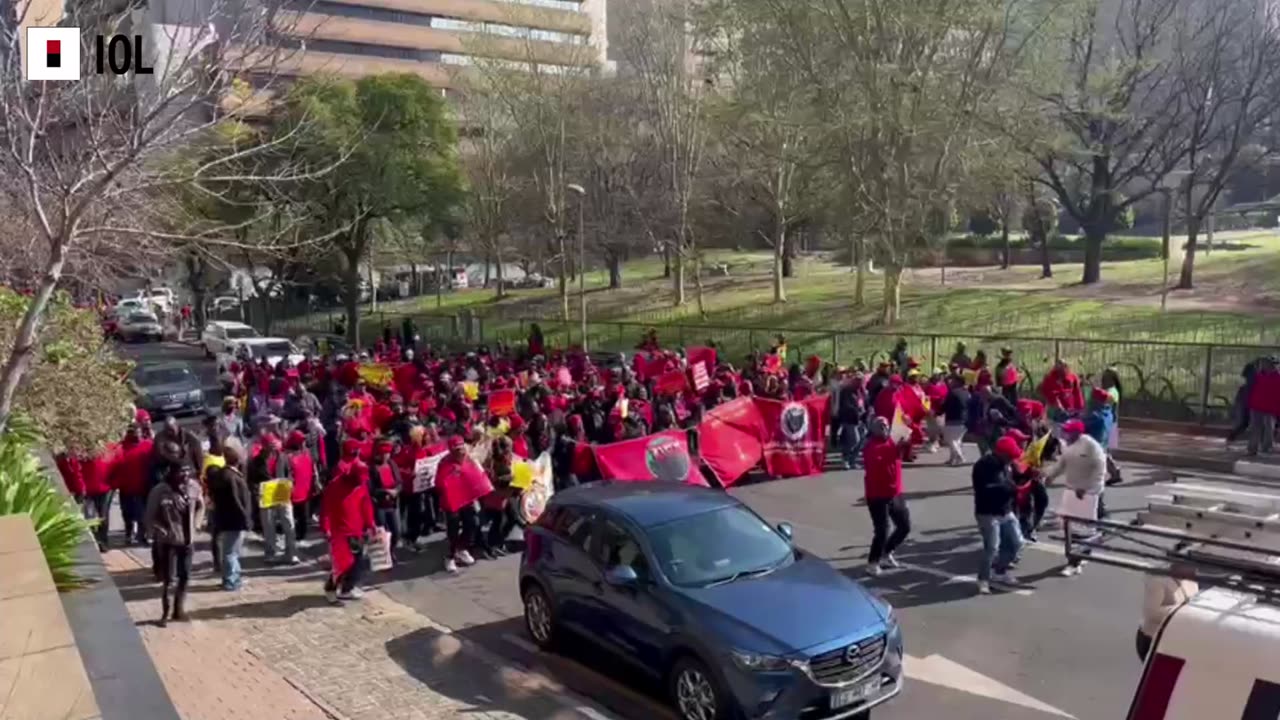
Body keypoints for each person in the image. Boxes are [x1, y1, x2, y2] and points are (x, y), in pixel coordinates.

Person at [1044, 419, 1107, 576]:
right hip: (1071, 491)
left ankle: (1075, 562)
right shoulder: (1067, 446)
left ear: (1078, 432)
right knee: (1068, 526)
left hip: (1088, 493)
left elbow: (1100, 470)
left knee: (1083, 529)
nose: (1065, 433)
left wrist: (1086, 489)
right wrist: (1050, 476)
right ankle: (1076, 557)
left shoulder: (1091, 446)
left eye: (1068, 431)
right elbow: (1061, 464)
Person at [144, 463, 202, 626]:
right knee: (169, 579)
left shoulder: (193, 487)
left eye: (187, 471)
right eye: (181, 471)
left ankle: (179, 609)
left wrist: (196, 524)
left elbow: (201, 505)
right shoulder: (160, 491)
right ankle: (165, 613)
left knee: (185, 575)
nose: (185, 475)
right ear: (172, 472)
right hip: (169, 541)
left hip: (188, 540)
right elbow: (150, 515)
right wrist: (159, 530)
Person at [320, 439, 377, 603]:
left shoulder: (361, 486)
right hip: (339, 531)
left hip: (356, 529)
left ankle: (347, 588)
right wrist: (326, 528)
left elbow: (366, 506)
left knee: (357, 562)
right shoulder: (334, 487)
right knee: (341, 564)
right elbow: (326, 510)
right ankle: (331, 587)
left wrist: (371, 524)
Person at [971, 436, 1024, 594]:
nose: (1012, 458)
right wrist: (1012, 489)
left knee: (1016, 543)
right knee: (992, 547)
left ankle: (1000, 571)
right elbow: (989, 490)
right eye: (1010, 455)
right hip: (988, 512)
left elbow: (1013, 481)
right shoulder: (984, 466)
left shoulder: (1006, 465)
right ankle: (983, 579)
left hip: (1005, 510)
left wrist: (1027, 477)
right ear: (1000, 453)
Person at [861, 416, 912, 576]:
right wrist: (897, 448)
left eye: (886, 425)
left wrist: (908, 427)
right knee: (882, 531)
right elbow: (879, 463)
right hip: (877, 495)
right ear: (873, 429)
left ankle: (886, 553)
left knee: (904, 526)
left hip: (895, 493)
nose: (884, 428)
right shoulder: (871, 447)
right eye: (880, 425)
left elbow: (912, 440)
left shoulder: (893, 442)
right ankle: (872, 562)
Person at [437, 435, 490, 573]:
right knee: (453, 530)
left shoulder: (469, 460)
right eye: (457, 450)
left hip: (467, 500)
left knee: (473, 523)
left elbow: (478, 476)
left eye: (462, 449)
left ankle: (462, 549)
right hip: (451, 503)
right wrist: (451, 477)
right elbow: (438, 483)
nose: (460, 452)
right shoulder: (444, 464)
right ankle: (450, 556)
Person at [207, 442, 253, 591]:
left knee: (232, 551)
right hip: (234, 520)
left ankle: (234, 577)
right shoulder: (231, 476)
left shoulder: (223, 474)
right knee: (231, 552)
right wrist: (245, 518)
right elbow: (236, 499)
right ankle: (230, 580)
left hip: (227, 519)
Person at [1136, 565, 1198, 661]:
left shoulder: (1191, 579)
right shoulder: (1157, 579)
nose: (1196, 570)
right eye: (1192, 566)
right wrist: (1183, 611)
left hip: (1176, 637)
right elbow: (1151, 613)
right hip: (1154, 639)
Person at [369, 439, 402, 562]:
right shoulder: (373, 468)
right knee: (382, 532)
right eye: (382, 454)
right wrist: (385, 492)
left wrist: (396, 491)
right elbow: (371, 489)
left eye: (387, 454)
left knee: (396, 531)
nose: (385, 456)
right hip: (380, 506)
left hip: (393, 504)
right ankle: (385, 554)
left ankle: (392, 549)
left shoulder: (392, 464)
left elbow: (399, 482)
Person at [1246, 356, 1279, 457]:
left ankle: (1266, 447)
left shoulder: (1277, 378)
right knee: (1255, 428)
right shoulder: (1258, 376)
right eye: (1263, 363)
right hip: (1256, 406)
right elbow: (1252, 390)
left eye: (1265, 363)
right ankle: (1252, 449)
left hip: (1269, 408)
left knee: (1268, 428)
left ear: (1271, 365)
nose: (1263, 365)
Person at [941, 374, 970, 466]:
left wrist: (938, 412)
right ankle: (952, 459)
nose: (951, 382)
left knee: (951, 440)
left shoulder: (953, 393)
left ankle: (960, 456)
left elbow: (945, 406)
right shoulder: (967, 393)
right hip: (964, 420)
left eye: (953, 380)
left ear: (957, 382)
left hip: (953, 419)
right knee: (957, 440)